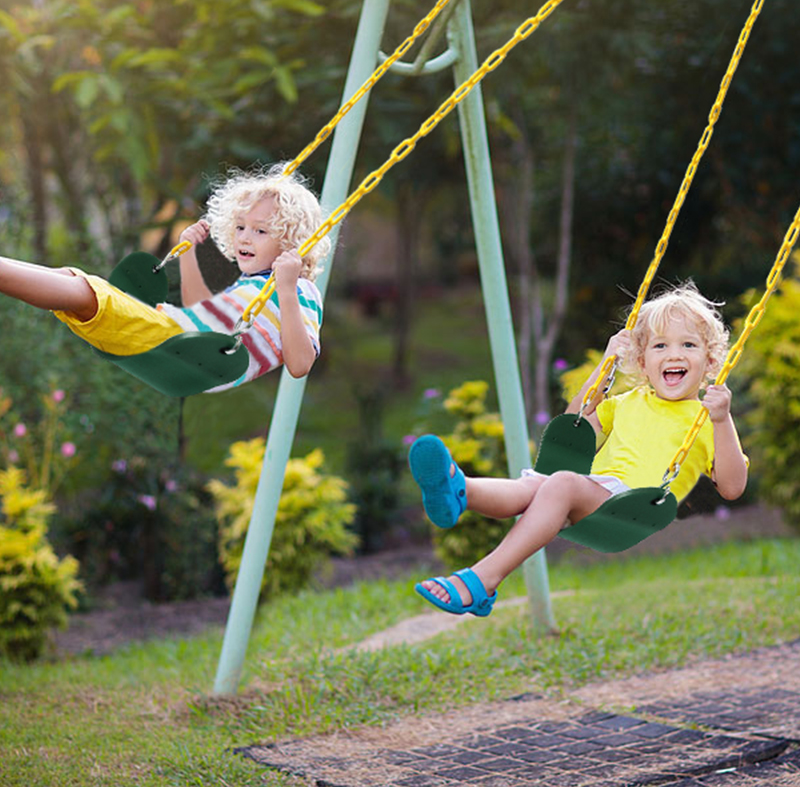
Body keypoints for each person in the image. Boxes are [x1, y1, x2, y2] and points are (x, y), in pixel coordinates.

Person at [409, 282, 749, 617]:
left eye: (688, 344)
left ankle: (483, 580)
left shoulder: (707, 418)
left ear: (711, 361)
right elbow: (574, 425)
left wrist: (722, 420)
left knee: (559, 483)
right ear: (643, 362)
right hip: (594, 490)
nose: (674, 354)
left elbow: (732, 487)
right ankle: (458, 488)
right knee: (537, 485)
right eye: (660, 346)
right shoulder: (625, 403)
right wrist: (606, 367)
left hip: (634, 506)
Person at [0, 163, 329, 391]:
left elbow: (300, 364)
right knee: (71, 281)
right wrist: (187, 254)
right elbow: (201, 309)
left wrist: (287, 289)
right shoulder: (252, 287)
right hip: (178, 338)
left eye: (260, 231)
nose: (244, 237)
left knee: (86, 294)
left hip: (179, 350)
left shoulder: (300, 290)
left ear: (291, 241)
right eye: (241, 227)